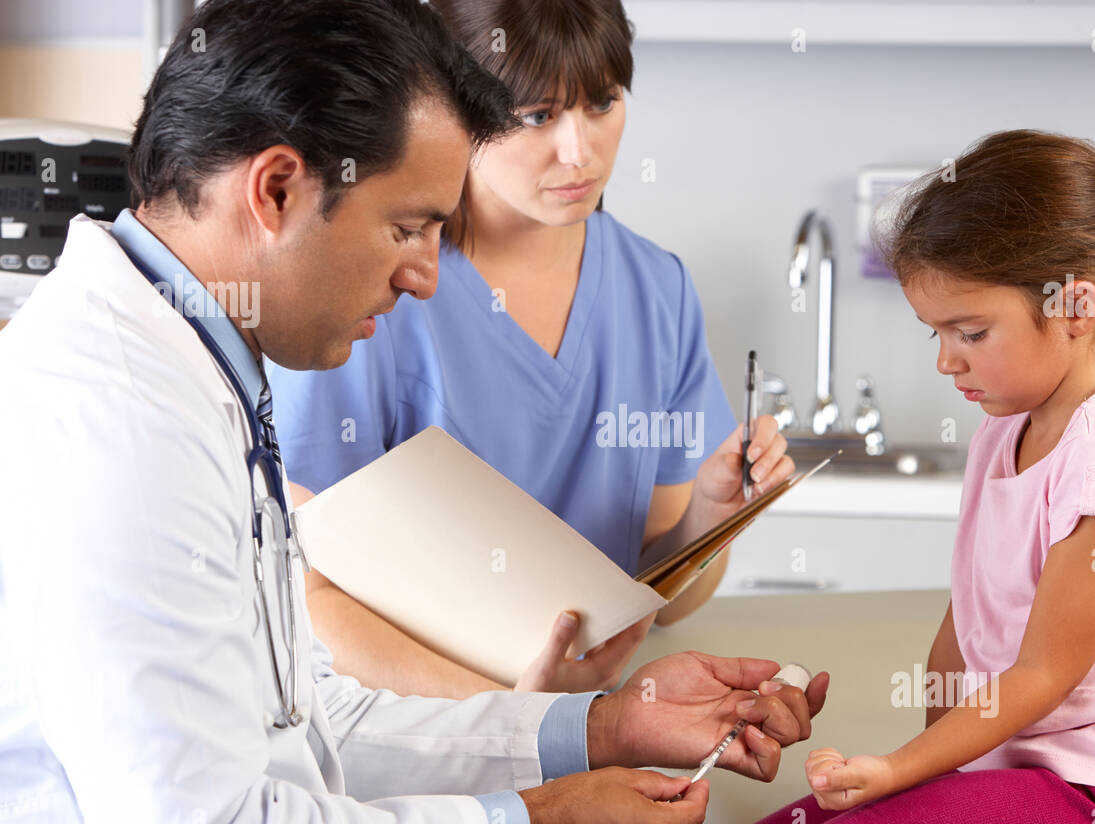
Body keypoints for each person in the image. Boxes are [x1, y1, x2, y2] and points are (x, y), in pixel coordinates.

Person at [0, 0, 828, 824]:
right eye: (408, 227)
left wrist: (603, 723)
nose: (426, 277)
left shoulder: (197, 371)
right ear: (276, 189)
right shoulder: (120, 423)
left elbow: (318, 722)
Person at [715, 129, 1095, 824]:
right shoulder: (1005, 431)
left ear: (1078, 306)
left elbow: (1042, 673)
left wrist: (901, 772)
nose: (945, 360)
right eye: (936, 333)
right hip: (1016, 773)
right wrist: (926, 778)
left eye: (969, 331)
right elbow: (966, 622)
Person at [265, 0, 793, 698]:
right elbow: (312, 602)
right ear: (457, 108)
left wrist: (711, 518)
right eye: (538, 115)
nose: (580, 151)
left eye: (603, 103)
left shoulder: (655, 290)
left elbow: (653, 602)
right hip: (421, 740)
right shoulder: (374, 294)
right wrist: (525, 722)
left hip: (596, 733)